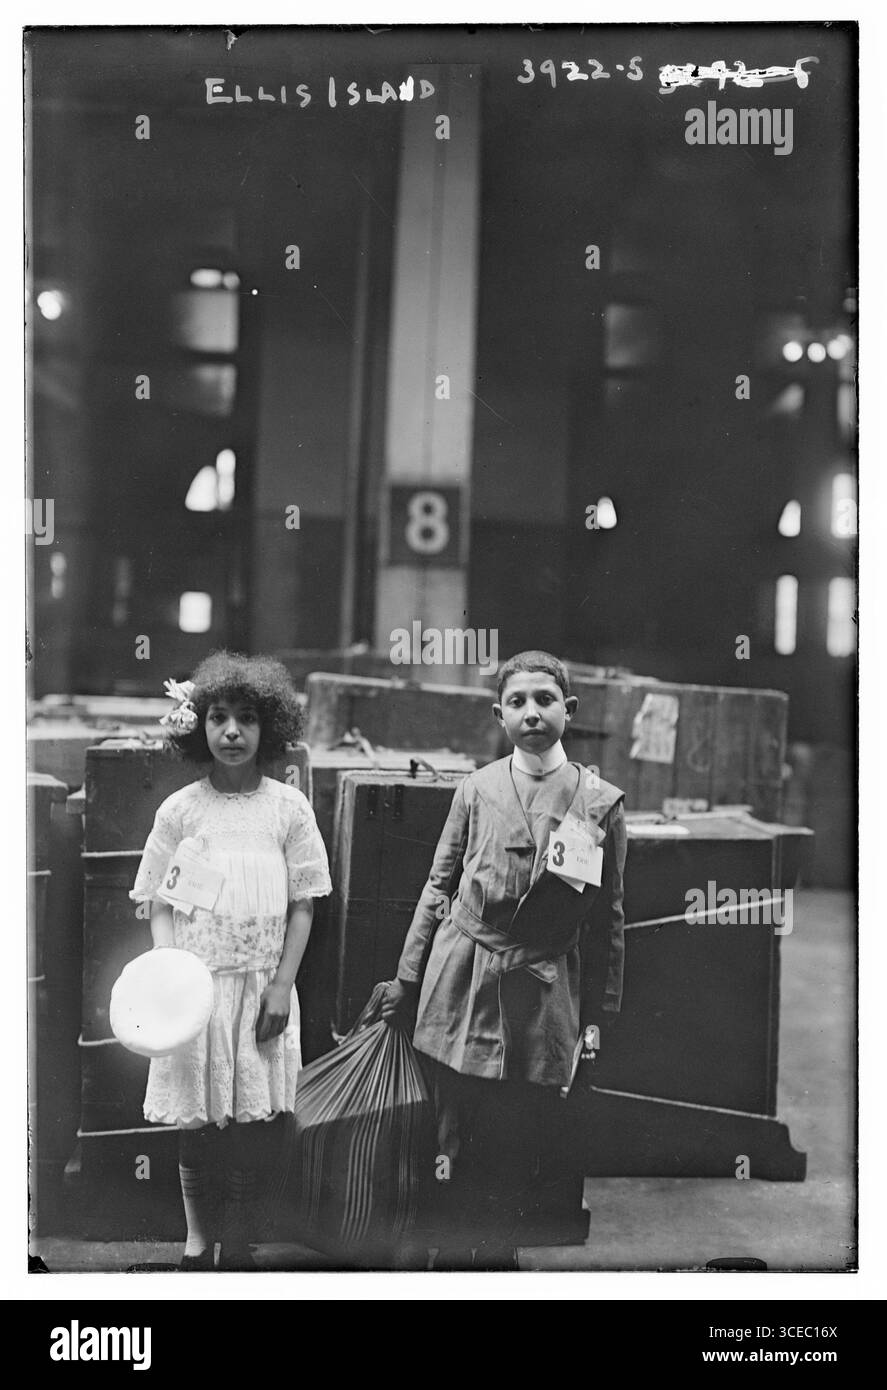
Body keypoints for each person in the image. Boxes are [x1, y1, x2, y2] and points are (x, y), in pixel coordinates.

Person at [382, 650, 627, 1271]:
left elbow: (607, 917)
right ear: (499, 714)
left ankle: (497, 1253)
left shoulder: (597, 803)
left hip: (542, 984)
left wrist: (599, 1010)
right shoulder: (477, 787)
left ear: (568, 710)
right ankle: (447, 1248)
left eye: (545, 700)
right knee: (453, 1116)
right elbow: (439, 886)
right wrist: (410, 977)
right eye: (517, 702)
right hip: (463, 971)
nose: (532, 713)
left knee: (520, 1123)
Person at [128, 651, 331, 1270]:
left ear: (269, 725)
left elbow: (304, 905)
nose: (233, 732)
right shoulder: (182, 810)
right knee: (200, 1121)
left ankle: (237, 1244)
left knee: (248, 1125)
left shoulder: (286, 809)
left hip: (261, 989)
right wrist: (172, 971)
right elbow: (155, 900)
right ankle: (195, 1243)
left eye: (246, 718)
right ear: (200, 726)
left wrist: (281, 986)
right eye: (218, 718)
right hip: (198, 993)